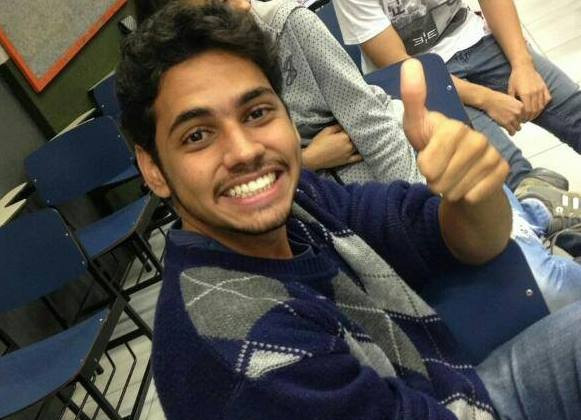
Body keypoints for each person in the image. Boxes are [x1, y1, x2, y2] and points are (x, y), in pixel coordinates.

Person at [116, 3, 581, 419]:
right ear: (153, 168)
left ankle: (532, 206)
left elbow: (445, 234)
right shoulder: (239, 350)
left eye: (256, 113)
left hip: (454, 388)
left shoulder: (301, 202)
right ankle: (537, 207)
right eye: (197, 135)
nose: (244, 151)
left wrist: (472, 194)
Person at [332, 0, 581, 192]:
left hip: (476, 40)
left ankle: (563, 218)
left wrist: (522, 63)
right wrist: (487, 99)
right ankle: (563, 224)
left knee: (574, 110)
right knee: (508, 174)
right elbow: (398, 63)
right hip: (420, 75)